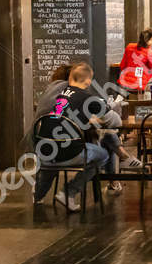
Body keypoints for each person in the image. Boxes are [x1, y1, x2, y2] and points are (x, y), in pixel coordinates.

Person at [31, 61, 109, 212]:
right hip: (67, 153)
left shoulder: (58, 94)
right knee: (102, 155)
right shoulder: (85, 96)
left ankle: (38, 196)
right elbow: (107, 114)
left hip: (44, 151)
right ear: (87, 80)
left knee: (51, 159)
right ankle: (69, 193)